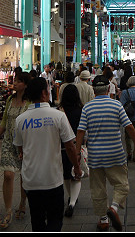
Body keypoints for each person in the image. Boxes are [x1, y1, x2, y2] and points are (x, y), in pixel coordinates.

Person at [14, 77, 81, 232]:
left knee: (37, 221)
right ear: (45, 93)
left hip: (31, 180)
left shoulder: (20, 120)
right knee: (55, 220)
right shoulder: (58, 116)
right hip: (53, 179)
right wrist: (76, 168)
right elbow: (70, 146)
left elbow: (20, 150)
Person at [75, 76, 135, 231]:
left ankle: (103, 219)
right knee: (122, 184)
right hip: (115, 154)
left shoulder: (87, 108)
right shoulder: (116, 105)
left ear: (93, 89)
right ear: (108, 89)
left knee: (98, 188)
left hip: (95, 155)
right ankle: (114, 208)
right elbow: (129, 126)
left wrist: (77, 152)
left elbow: (80, 131)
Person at [0, 71, 31, 229]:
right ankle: (8, 210)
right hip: (9, 141)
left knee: (23, 176)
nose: (15, 84)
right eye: (14, 81)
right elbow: (4, 121)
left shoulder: (29, 102)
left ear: (25, 85)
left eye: (19, 81)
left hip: (25, 143)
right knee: (8, 174)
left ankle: (22, 203)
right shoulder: (9, 99)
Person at [59, 84, 85, 218]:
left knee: (66, 175)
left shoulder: (59, 111)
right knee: (76, 175)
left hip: (61, 148)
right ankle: (72, 202)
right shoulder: (81, 111)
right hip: (76, 147)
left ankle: (70, 197)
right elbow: (83, 130)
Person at [119, 75, 135, 163]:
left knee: (128, 136)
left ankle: (129, 153)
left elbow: (121, 104)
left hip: (127, 117)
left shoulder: (125, 92)